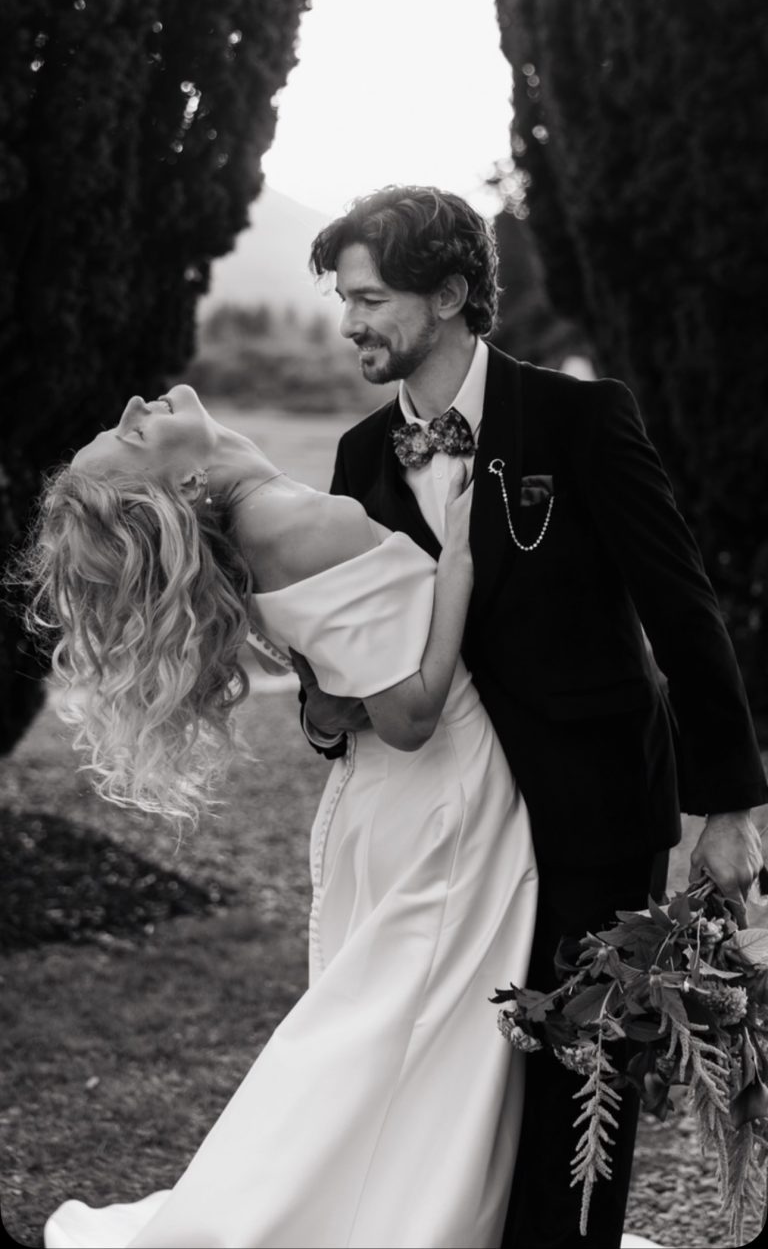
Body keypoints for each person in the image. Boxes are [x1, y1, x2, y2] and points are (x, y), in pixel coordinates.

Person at [298, 184, 768, 1249]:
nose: (351, 323)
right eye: (344, 299)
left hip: (588, 819)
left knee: (578, 1102)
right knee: (435, 1083)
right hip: (435, 833)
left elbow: (681, 608)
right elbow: (348, 673)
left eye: (371, 298)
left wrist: (730, 801)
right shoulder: (359, 460)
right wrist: (326, 720)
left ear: (454, 292)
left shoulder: (581, 420)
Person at [24, 383, 539, 1249]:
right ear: (181, 489)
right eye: (132, 432)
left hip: (403, 805)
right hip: (444, 798)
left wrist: (333, 701)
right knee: (401, 1039)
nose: (136, 402)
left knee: (394, 1040)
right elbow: (411, 717)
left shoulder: (267, 526)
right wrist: (456, 568)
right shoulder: (293, 526)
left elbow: (343, 694)